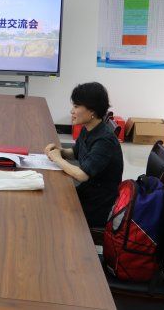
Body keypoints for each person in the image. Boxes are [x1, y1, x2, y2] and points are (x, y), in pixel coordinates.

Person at [44, 82, 123, 228]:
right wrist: (59, 151)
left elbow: (82, 175)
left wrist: (58, 159)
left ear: (92, 110)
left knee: (49, 213)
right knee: (48, 198)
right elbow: (75, 152)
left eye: (76, 106)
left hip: (98, 205)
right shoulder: (89, 128)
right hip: (87, 192)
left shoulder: (104, 140)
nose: (71, 111)